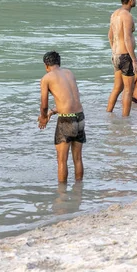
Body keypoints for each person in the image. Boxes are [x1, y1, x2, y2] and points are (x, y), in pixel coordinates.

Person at [38, 51, 85, 183]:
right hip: (80, 117)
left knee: (62, 160)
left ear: (46, 66)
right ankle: (79, 191)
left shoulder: (47, 78)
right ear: (59, 63)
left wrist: (43, 117)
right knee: (78, 158)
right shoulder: (69, 73)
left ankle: (62, 195)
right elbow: (70, 101)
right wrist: (52, 112)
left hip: (66, 120)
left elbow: (44, 104)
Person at [107, 0, 137, 116]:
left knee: (117, 88)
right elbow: (127, 38)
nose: (136, 1)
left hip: (115, 55)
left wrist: (114, 51)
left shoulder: (114, 14)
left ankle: (108, 113)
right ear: (131, 0)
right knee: (128, 90)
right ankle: (126, 120)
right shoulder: (127, 16)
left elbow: (110, 36)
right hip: (125, 56)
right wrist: (134, 60)